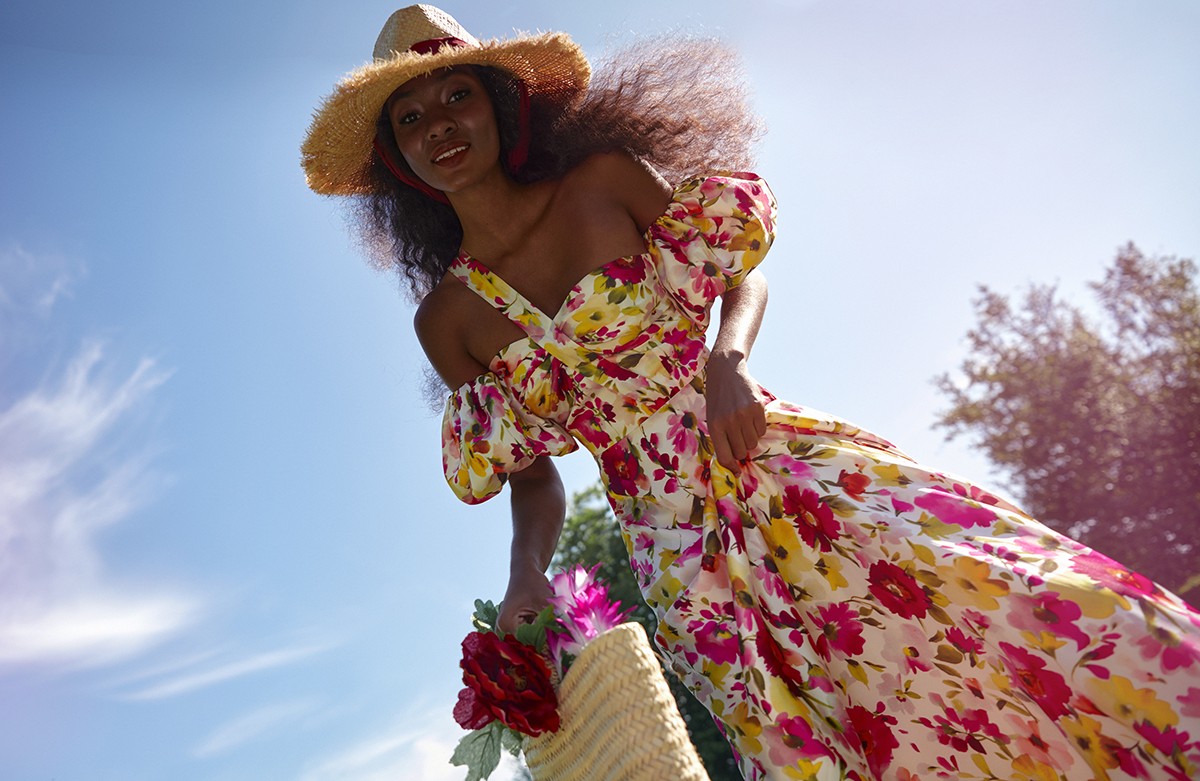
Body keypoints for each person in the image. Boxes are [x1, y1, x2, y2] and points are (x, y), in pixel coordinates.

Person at [303, 6, 1200, 779]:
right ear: (400, 161)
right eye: (411, 117)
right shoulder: (450, 317)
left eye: (457, 93)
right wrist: (525, 574)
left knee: (1005, 597)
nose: (439, 123)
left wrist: (727, 359)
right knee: (807, 740)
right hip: (676, 550)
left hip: (777, 461)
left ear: (500, 102)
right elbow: (534, 475)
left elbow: (741, 273)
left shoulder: (603, 179)